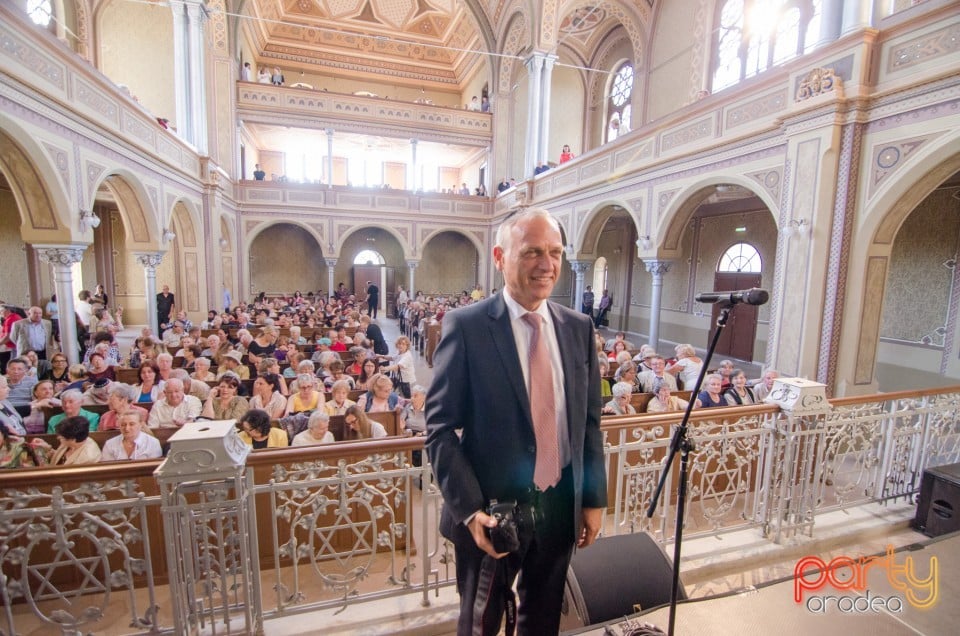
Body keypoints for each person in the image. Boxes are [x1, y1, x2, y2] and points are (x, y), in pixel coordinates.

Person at [425, 207, 606, 635]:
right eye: (532, 253)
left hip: (561, 506)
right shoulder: (466, 326)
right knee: (482, 623)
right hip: (492, 513)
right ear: (500, 256)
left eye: (555, 253)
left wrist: (594, 498)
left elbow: (589, 422)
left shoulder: (578, 328)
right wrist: (469, 512)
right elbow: (439, 429)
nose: (547, 265)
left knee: (543, 620)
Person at [37, 416, 102, 465]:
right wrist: (47, 447)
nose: (58, 438)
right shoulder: (73, 441)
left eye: (61, 437)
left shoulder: (88, 458)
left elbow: (65, 476)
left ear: (73, 439)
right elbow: (60, 459)